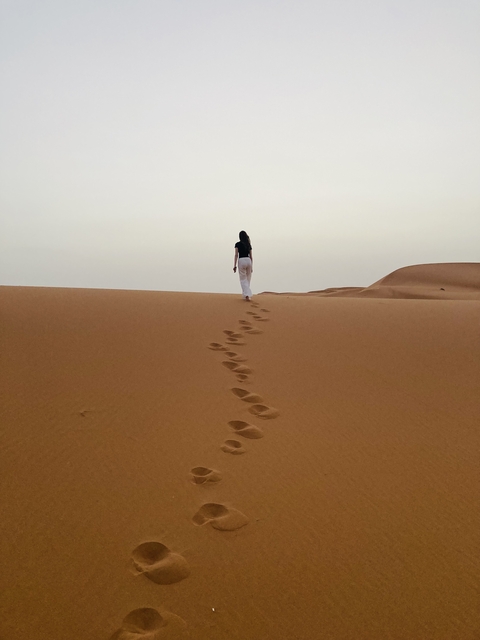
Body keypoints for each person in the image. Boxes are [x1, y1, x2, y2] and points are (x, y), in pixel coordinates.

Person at [233, 230, 253, 301]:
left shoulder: (237, 244)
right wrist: (252, 267)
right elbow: (251, 256)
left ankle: (247, 294)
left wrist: (234, 265)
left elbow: (236, 255)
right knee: (248, 278)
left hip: (241, 260)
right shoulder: (248, 244)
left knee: (242, 279)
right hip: (248, 261)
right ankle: (245, 294)